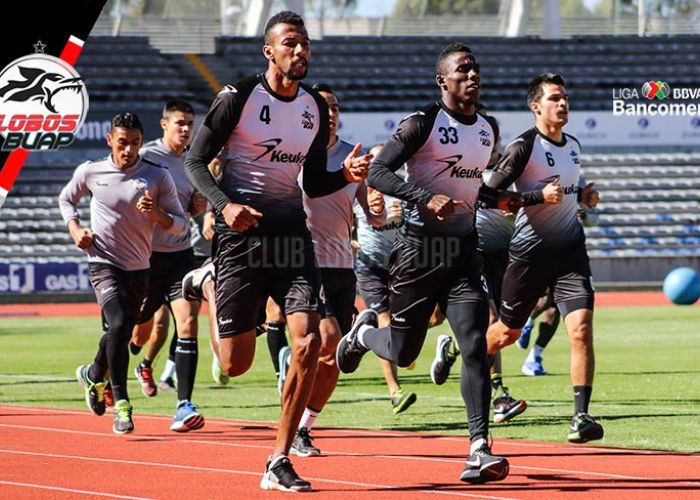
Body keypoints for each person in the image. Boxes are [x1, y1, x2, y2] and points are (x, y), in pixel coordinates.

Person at [184, 11, 370, 492]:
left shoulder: (311, 105)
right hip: (240, 239)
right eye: (290, 43)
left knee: (308, 341)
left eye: (305, 43)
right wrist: (224, 207)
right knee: (234, 364)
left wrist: (344, 177)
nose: (300, 51)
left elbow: (312, 180)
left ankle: (279, 458)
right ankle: (206, 285)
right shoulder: (239, 97)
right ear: (269, 51)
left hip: (291, 233)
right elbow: (195, 160)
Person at [336, 42, 520, 484]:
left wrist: (515, 199)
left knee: (474, 344)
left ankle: (478, 447)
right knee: (405, 351)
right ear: (443, 80)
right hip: (419, 252)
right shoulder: (422, 123)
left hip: (461, 254)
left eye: (475, 68)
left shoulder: (486, 130)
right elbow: (378, 172)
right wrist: (423, 197)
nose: (472, 76)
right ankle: (364, 335)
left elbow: (475, 191)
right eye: (462, 70)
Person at [483, 73, 603, 444]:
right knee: (506, 333)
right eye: (554, 98)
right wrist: (536, 199)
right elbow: (486, 195)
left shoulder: (574, 144)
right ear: (536, 106)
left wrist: (582, 194)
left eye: (565, 97)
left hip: (570, 253)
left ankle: (580, 417)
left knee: (581, 330)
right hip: (529, 254)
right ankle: (461, 349)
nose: (563, 104)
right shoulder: (523, 147)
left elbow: (563, 189)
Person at [59, 112, 186, 434]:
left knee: (120, 332)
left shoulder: (157, 176)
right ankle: (122, 404)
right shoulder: (91, 171)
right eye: (122, 143)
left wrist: (158, 215)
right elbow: (66, 199)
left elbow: (181, 224)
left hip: (140, 267)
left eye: (135, 144)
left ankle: (93, 373)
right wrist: (75, 229)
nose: (128, 150)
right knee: (117, 324)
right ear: (109, 141)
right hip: (102, 262)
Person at [283, 83, 387, 457]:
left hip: (343, 265)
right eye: (322, 107)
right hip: (305, 265)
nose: (330, 114)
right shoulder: (294, 154)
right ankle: (290, 427)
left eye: (335, 107)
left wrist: (377, 209)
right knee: (326, 341)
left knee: (333, 359)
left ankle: (303, 428)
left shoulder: (352, 155)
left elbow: (370, 214)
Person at [430, 112, 528, 425]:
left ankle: (451, 352)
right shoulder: (465, 172)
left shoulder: (510, 171)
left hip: (505, 255)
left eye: (491, 138)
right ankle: (498, 394)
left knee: (503, 329)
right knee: (491, 320)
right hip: (473, 252)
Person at [125, 100, 208, 432]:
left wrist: (198, 206)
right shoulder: (147, 157)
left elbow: (190, 210)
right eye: (180, 123)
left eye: (190, 123)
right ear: (164, 124)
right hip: (147, 257)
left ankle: (184, 405)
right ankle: (100, 372)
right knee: (140, 330)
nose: (186, 129)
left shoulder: (194, 160)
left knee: (187, 324)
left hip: (181, 254)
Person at [353, 143, 418, 415]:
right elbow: (341, 224)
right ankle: (395, 391)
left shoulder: (402, 190)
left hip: (402, 265)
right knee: (385, 319)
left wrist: (405, 218)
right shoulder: (359, 191)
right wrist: (352, 243)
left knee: (426, 320)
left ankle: (366, 339)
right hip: (371, 268)